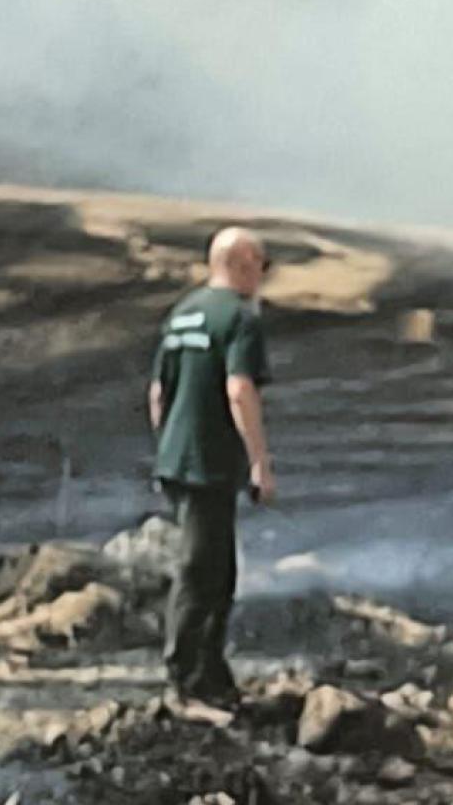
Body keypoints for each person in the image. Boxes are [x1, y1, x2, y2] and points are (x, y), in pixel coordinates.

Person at [148, 226, 276, 705]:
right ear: (242, 263)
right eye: (260, 265)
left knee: (214, 568)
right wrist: (260, 463)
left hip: (177, 458)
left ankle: (212, 672)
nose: (262, 276)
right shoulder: (240, 319)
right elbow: (240, 390)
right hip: (210, 460)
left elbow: (158, 392)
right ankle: (187, 674)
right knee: (203, 572)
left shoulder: (183, 313)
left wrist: (168, 444)